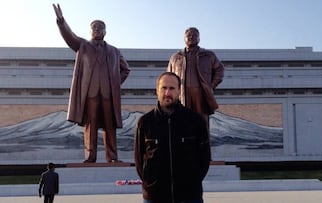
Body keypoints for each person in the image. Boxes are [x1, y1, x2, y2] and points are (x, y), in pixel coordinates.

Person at [53, 4, 130, 163]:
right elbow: (69, 36)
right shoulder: (83, 46)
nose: (97, 29)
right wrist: (61, 21)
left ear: (105, 31)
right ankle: (90, 156)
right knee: (91, 125)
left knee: (110, 126)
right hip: (90, 94)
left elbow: (126, 70)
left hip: (108, 95)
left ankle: (113, 157)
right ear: (90, 31)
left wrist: (114, 84)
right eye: (94, 27)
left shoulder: (115, 51)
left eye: (100, 27)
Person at [134, 72, 211, 203]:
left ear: (179, 91)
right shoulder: (145, 122)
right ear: (157, 91)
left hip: (189, 196)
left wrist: (193, 181)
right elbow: (139, 160)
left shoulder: (195, 121)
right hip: (155, 197)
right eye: (164, 88)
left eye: (172, 88)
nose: (167, 93)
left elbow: (204, 158)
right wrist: (150, 183)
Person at [167, 27, 224, 129]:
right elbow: (169, 77)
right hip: (181, 94)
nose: (191, 37)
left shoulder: (208, 55)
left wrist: (211, 85)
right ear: (184, 38)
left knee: (201, 122)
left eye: (195, 35)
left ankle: (203, 144)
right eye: (189, 35)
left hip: (200, 93)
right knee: (182, 122)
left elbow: (219, 70)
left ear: (199, 38)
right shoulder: (175, 57)